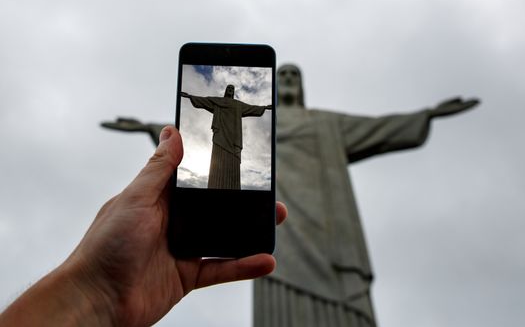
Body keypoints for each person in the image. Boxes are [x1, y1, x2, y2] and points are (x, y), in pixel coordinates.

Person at [253, 64, 479, 327]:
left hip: (329, 232)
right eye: (283, 75)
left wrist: (428, 115)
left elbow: (377, 129)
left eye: (295, 75)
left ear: (302, 85)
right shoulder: (259, 123)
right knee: (276, 280)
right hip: (280, 228)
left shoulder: (325, 122)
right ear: (275, 85)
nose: (289, 79)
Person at [0, 126, 287, 326]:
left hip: (235, 152)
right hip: (220, 147)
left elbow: (257, 111)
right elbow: (201, 101)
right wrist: (96, 287)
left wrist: (95, 293)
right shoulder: (221, 104)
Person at [181, 84, 272, 189]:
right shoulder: (218, 101)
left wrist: (264, 107)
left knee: (233, 165)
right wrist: (190, 97)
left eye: (232, 89)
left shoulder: (238, 105)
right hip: (220, 136)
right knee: (217, 163)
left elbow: (251, 108)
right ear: (225, 90)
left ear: (233, 92)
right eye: (228, 88)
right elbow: (205, 101)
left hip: (234, 139)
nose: (230, 90)